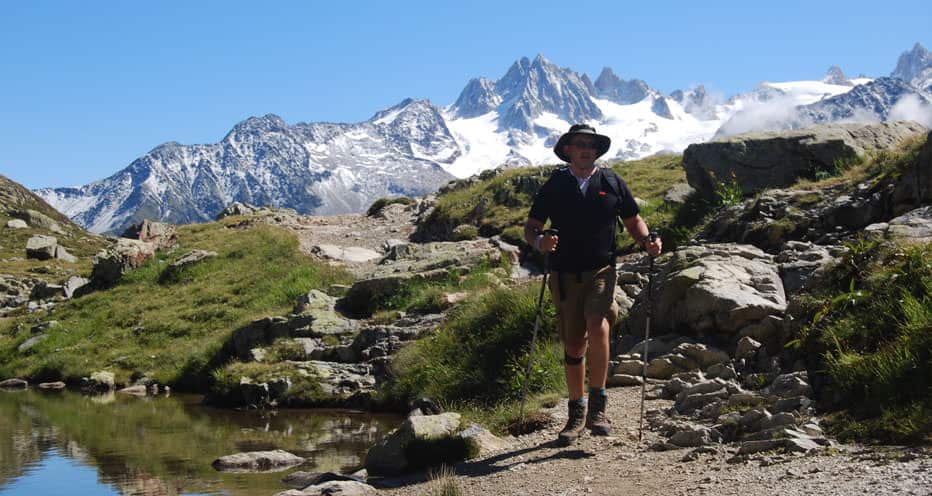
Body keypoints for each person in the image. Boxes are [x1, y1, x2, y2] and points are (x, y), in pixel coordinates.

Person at [524, 123, 662, 446]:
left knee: (598, 325)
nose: (587, 149)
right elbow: (531, 227)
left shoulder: (612, 182)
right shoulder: (555, 185)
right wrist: (540, 242)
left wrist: (647, 240)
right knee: (573, 346)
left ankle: (598, 407)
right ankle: (576, 412)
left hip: (602, 270)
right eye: (580, 144)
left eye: (591, 144)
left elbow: (633, 220)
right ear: (568, 149)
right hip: (565, 275)